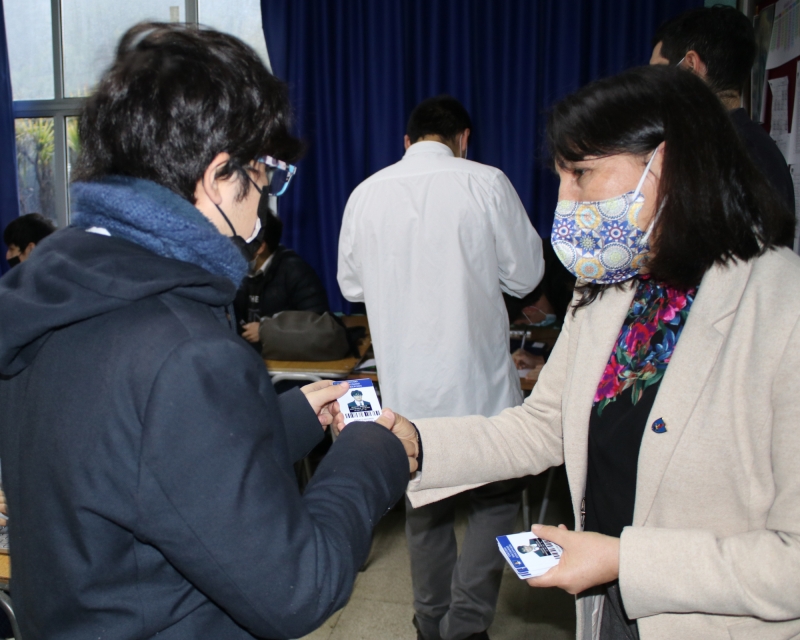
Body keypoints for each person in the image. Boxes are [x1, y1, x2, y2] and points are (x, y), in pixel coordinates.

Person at [0, 23, 417, 640]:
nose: (265, 203)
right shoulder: (181, 347)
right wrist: (372, 455)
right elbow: (298, 588)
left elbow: (143, 460)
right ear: (221, 174)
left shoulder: (56, 294)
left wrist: (294, 416)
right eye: (265, 176)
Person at [376, 65, 800, 639]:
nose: (564, 201)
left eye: (582, 175)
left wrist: (626, 560)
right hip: (607, 616)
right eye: (560, 177)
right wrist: (419, 443)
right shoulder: (610, 290)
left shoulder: (781, 308)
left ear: (668, 166)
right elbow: (543, 426)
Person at [338, 95, 544, 640]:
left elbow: (350, 286)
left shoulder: (365, 194)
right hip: (481, 387)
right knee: (496, 503)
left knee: (424, 507)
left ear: (406, 143)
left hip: (409, 389)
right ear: (463, 139)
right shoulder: (487, 182)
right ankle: (466, 625)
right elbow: (526, 278)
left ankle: (430, 621)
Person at [650, 5, 795, 217]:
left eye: (658, 72)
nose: (652, 86)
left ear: (691, 65)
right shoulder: (750, 148)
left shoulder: (733, 155)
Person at [234, 205, 331, 349]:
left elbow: (319, 326)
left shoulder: (295, 271)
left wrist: (267, 331)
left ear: (259, 247)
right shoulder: (235, 273)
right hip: (248, 357)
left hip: (286, 360)